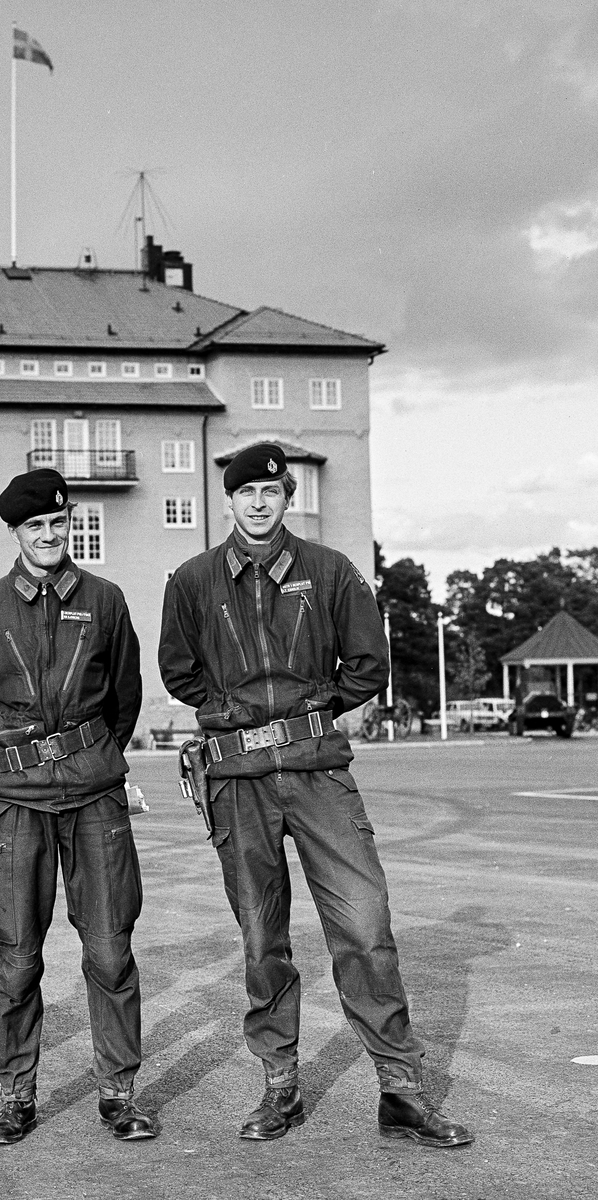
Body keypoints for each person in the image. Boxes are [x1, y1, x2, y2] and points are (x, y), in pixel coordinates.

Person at [158, 444, 473, 1149]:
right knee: (261, 935)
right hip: (237, 778)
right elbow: (178, 670)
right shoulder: (192, 581)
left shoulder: (330, 571)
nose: (258, 502)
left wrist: (310, 708)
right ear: (229, 500)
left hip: (318, 770)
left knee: (364, 926)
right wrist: (235, 714)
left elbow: (368, 664)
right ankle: (280, 1086)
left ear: (287, 497)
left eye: (271, 491)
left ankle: (401, 1091)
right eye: (246, 492)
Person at [0, 468, 155, 1145]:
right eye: (35, 526)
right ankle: (16, 1096)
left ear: (70, 524)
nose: (48, 535)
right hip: (16, 802)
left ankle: (118, 1093)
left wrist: (87, 756)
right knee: (17, 958)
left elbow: (123, 697)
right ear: (15, 532)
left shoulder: (105, 600)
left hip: (95, 796)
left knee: (110, 950)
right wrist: (24, 761)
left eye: (58, 523)